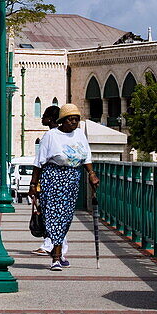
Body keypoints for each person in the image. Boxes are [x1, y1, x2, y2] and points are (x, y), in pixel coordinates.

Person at [28, 103, 98, 271]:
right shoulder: (51, 136)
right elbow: (39, 162)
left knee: (65, 218)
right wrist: (33, 184)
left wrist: (91, 174)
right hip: (53, 179)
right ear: (62, 121)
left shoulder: (80, 135)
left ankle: (57, 251)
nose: (74, 123)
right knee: (54, 217)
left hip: (72, 180)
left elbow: (86, 157)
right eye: (71, 119)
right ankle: (57, 257)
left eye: (77, 119)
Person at [30, 105, 67, 261]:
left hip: (50, 180)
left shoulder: (50, 135)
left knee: (51, 214)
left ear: (50, 119)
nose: (41, 118)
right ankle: (58, 249)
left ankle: (53, 247)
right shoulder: (63, 135)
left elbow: (39, 161)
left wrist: (33, 184)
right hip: (64, 180)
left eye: (44, 115)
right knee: (59, 215)